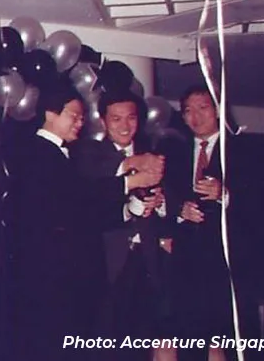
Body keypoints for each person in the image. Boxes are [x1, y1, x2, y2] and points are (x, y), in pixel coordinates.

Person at [4, 83, 100, 361]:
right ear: (50, 113)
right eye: (74, 116)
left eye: (82, 118)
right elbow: (66, 206)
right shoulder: (37, 152)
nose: (80, 123)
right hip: (44, 273)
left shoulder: (60, 153)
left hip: (55, 273)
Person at [71, 90, 169, 360]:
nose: (125, 126)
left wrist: (161, 204)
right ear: (103, 121)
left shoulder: (154, 155)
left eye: (131, 118)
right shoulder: (88, 154)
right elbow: (89, 202)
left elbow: (171, 208)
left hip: (147, 261)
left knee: (142, 343)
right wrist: (132, 164)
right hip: (106, 263)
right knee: (104, 344)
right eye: (116, 119)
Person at [164, 86, 258, 361]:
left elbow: (262, 202)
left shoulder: (242, 150)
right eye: (188, 111)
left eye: (202, 108)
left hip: (228, 264)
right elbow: (163, 200)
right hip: (185, 264)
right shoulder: (173, 153)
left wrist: (224, 194)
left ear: (217, 109)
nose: (195, 116)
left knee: (225, 342)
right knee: (188, 340)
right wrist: (179, 211)